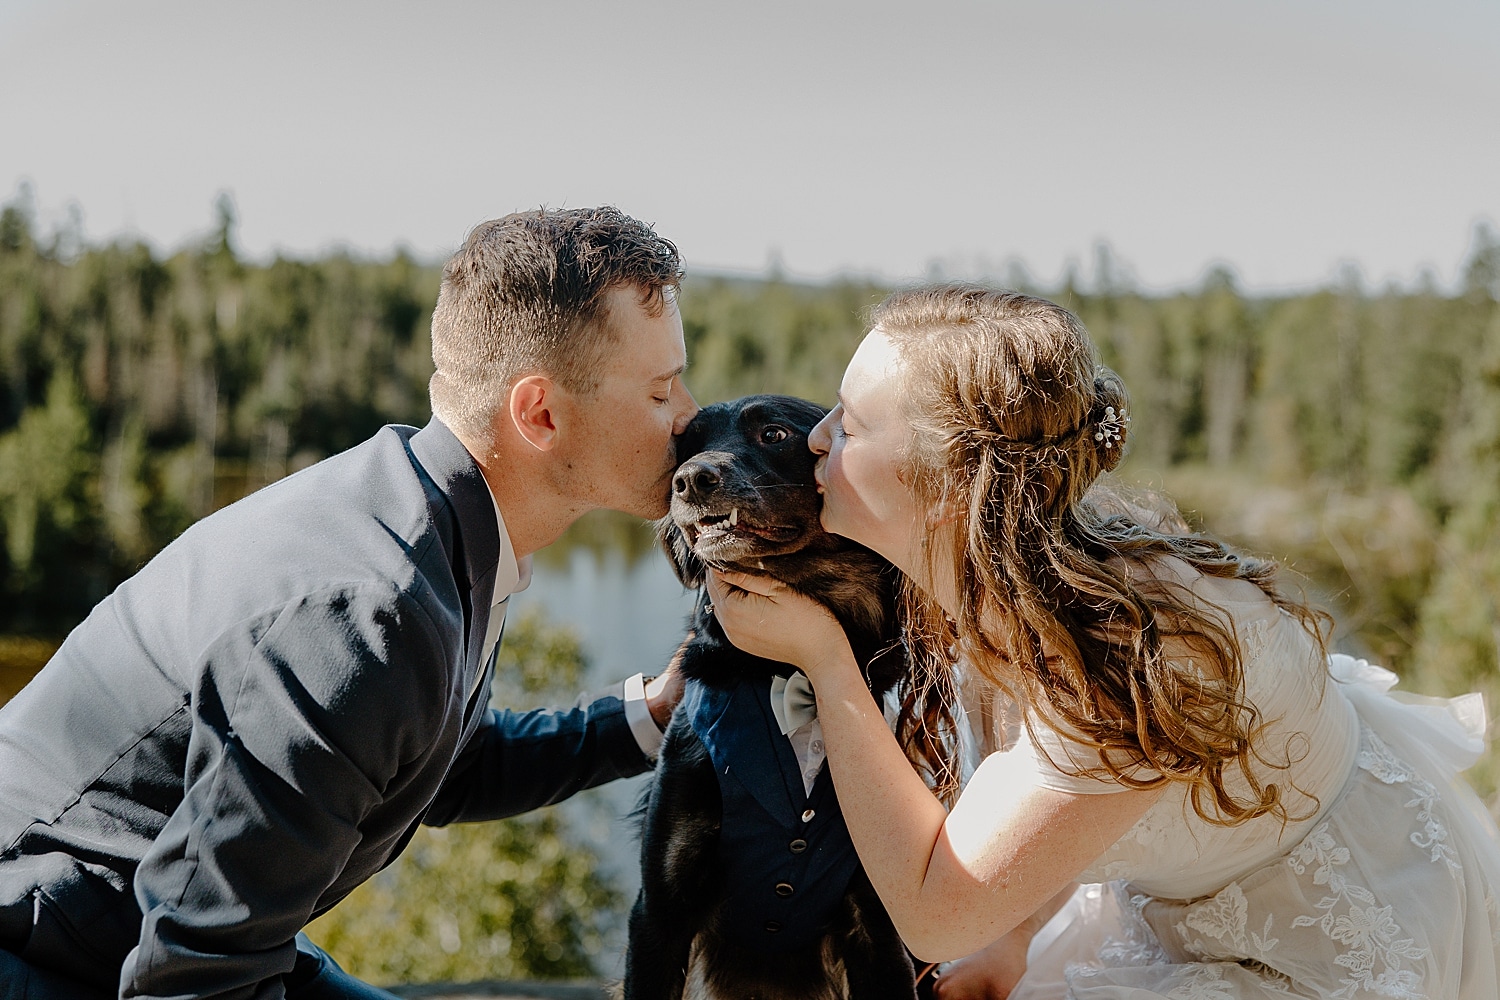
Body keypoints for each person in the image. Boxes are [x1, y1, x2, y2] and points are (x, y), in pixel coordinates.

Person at [705, 283, 1500, 999]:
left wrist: (826, 663)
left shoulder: (1128, 661)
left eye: (854, 424)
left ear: (947, 483)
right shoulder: (1020, 569)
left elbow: (935, 917)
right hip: (1193, 900)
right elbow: (1056, 815)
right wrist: (1014, 936)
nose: (818, 438)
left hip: (1319, 944)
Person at [0, 207, 696, 1000]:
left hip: (154, 933)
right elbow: (195, 977)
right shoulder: (372, 612)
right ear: (540, 414)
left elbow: (439, 766)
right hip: (48, 948)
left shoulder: (441, 520)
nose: (688, 415)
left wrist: (652, 713)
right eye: (661, 388)